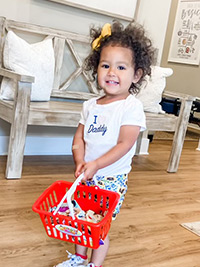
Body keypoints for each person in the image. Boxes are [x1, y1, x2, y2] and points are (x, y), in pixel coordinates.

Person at [54, 20, 155, 267]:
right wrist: (80, 160)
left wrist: (97, 164)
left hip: (111, 180)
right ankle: (79, 259)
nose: (112, 72)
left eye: (121, 67)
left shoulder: (131, 107)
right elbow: (79, 137)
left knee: (97, 226)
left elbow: (125, 144)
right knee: (80, 220)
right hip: (86, 175)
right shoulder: (90, 106)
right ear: (96, 69)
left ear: (136, 74)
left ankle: (94, 264)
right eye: (106, 65)